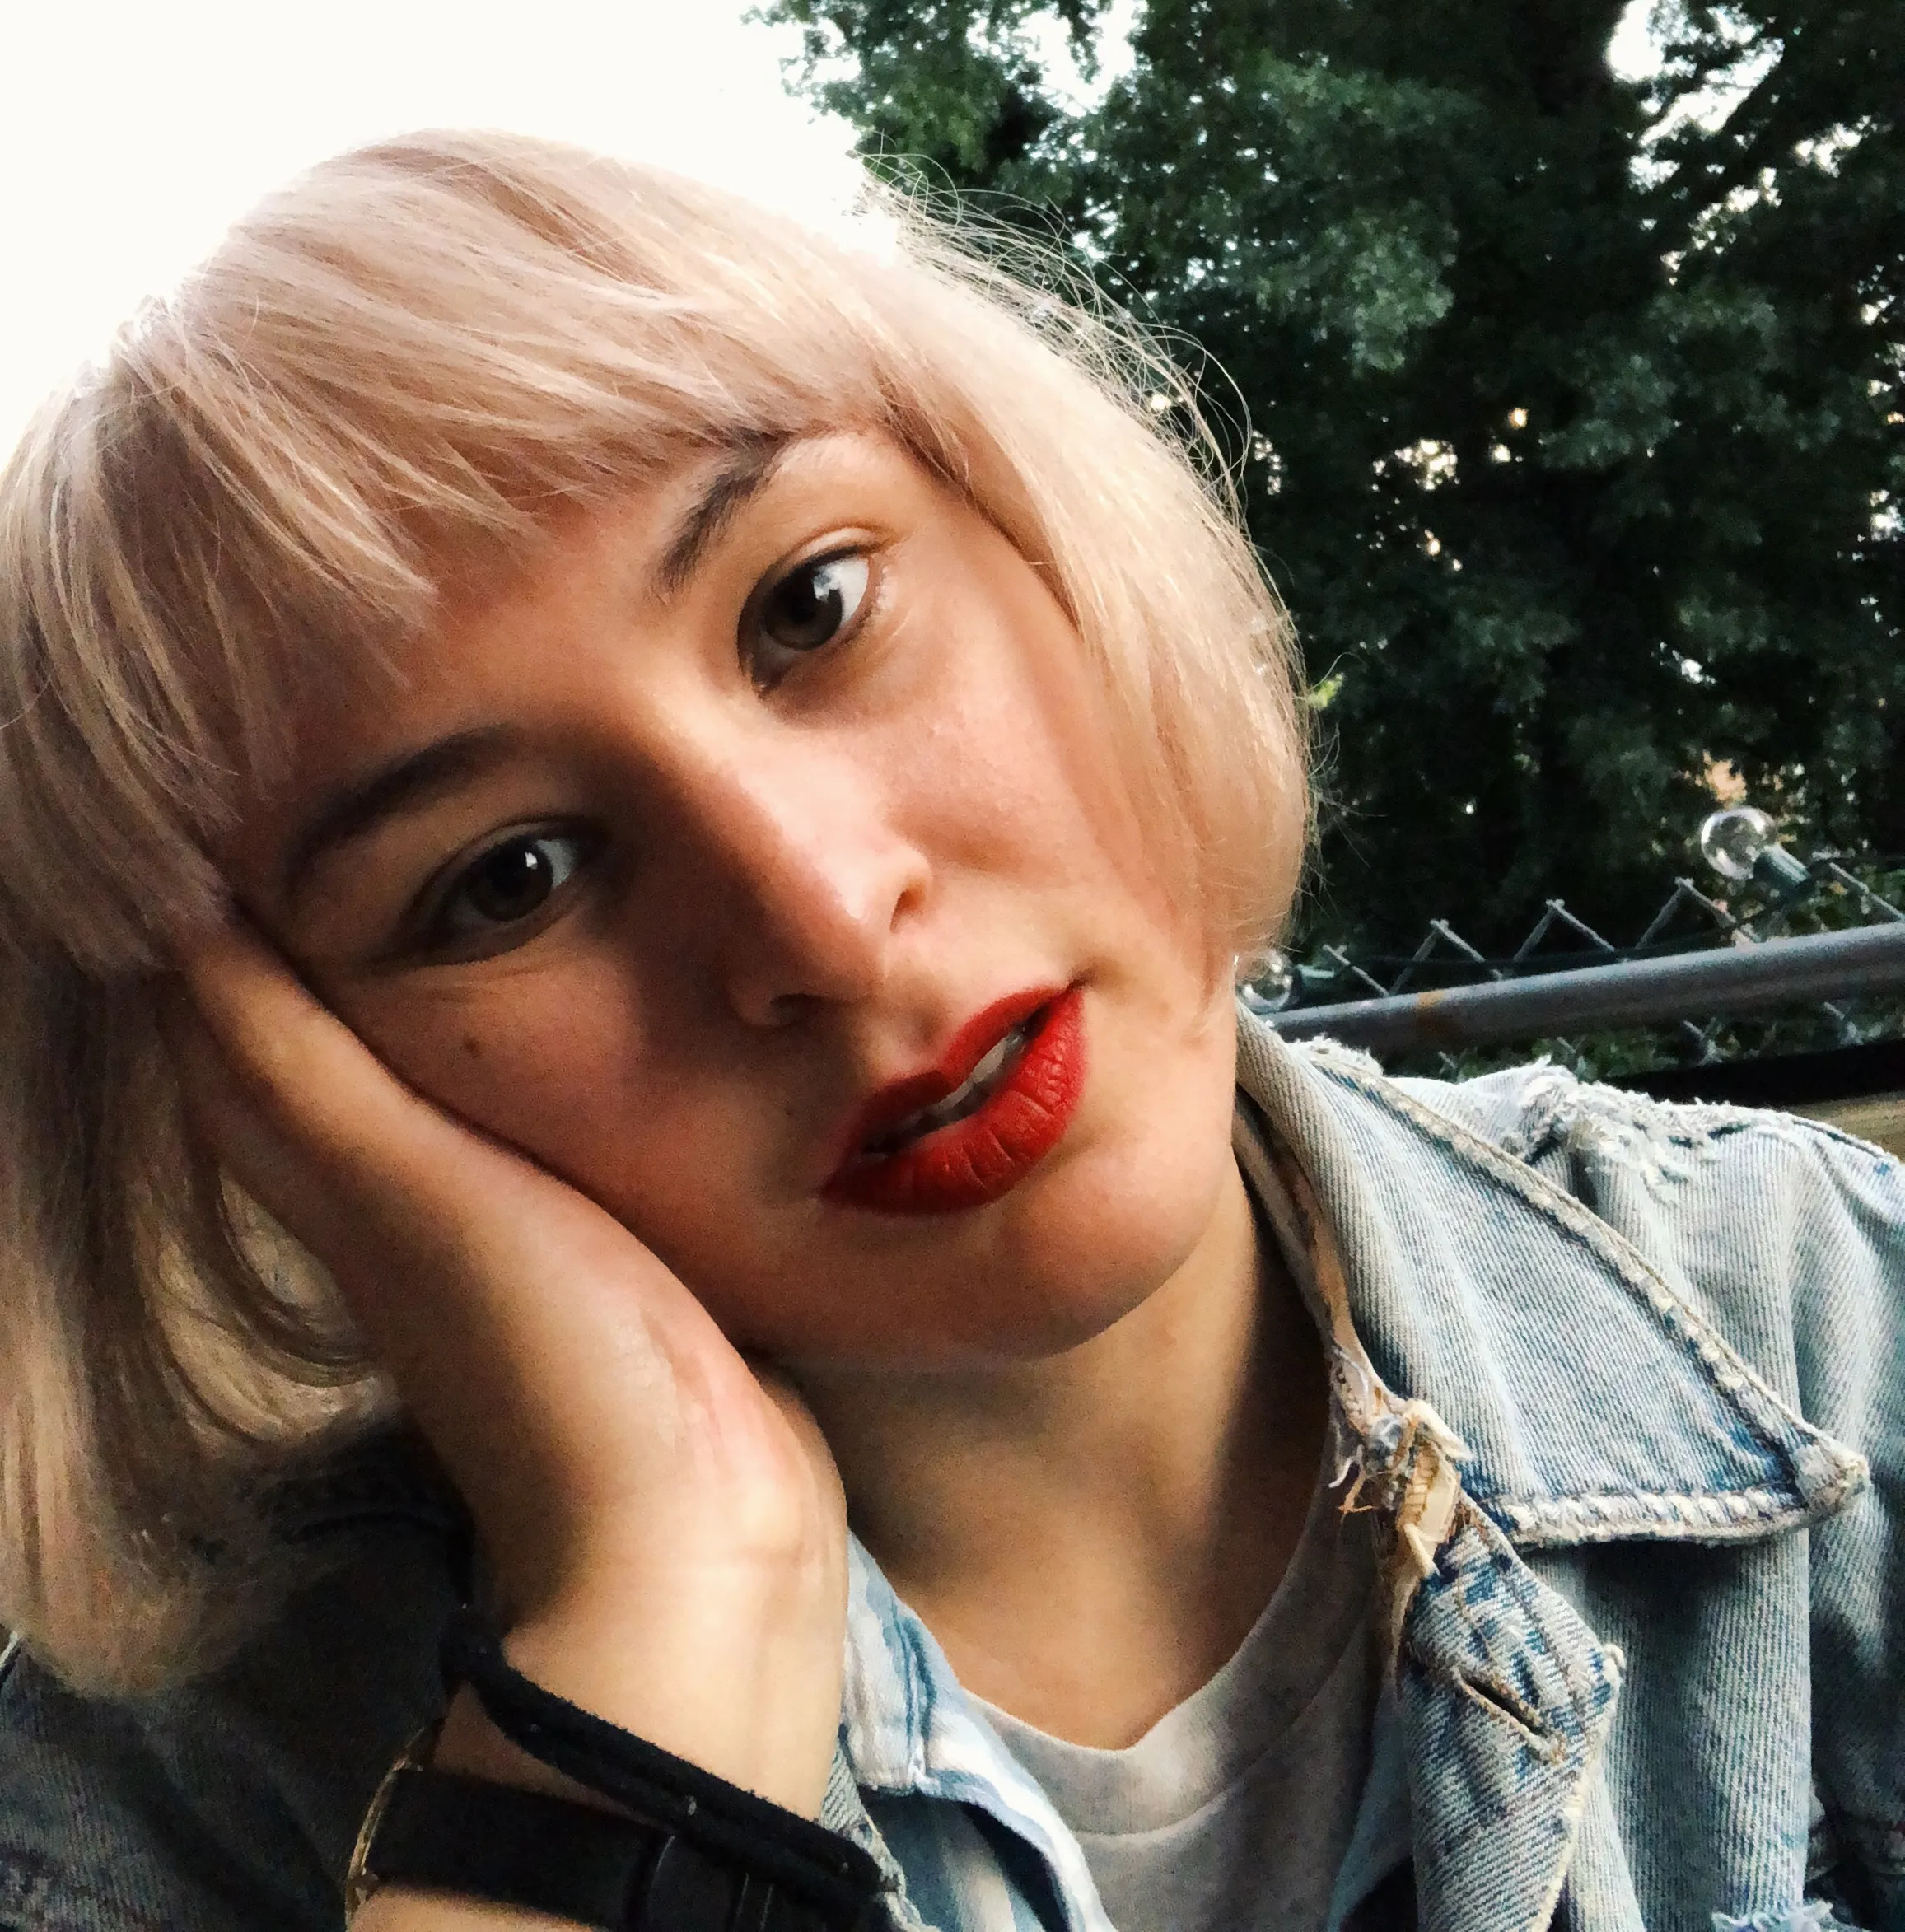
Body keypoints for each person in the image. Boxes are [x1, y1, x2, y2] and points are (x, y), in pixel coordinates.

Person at [0, 129, 1898, 1932]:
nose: (824, 918)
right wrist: (649, 1654)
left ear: (1039, 525)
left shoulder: (1817, 1305)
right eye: (507, 878)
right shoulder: (157, 1802)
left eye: (809, 607)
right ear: (274, 1081)